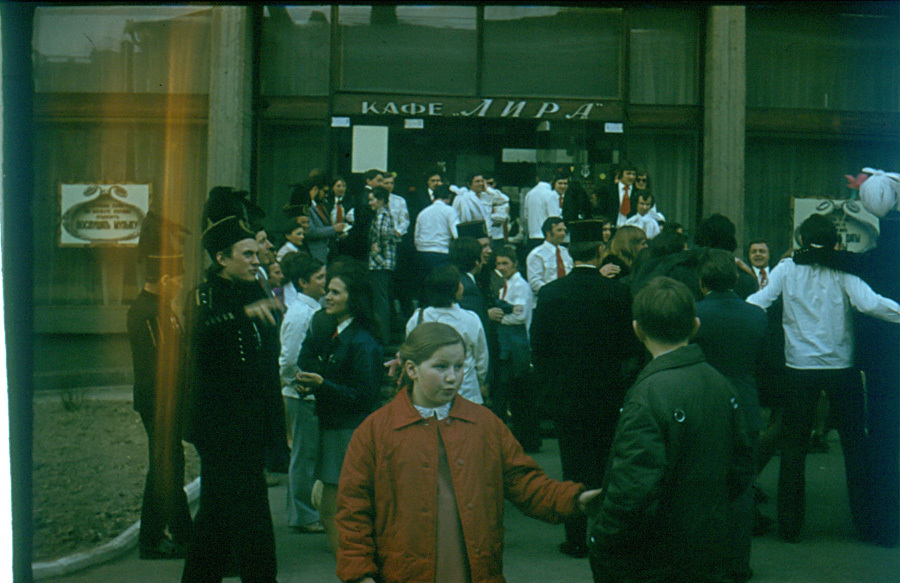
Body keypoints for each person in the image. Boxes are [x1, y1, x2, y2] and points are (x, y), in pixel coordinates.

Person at [335, 322, 602, 583]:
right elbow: (353, 510)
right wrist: (360, 574)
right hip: (401, 571)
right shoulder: (375, 430)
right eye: (440, 367)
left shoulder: (485, 423)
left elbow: (525, 483)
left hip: (475, 567)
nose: (453, 377)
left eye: (459, 366)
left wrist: (576, 499)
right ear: (411, 369)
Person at [588, 277, 755, 583]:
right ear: (695, 325)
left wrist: (603, 538)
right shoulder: (721, 383)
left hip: (657, 554)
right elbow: (742, 464)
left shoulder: (647, 394)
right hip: (710, 540)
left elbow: (633, 488)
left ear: (638, 329)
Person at [746, 212, 900, 543]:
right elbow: (870, 304)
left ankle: (790, 527)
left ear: (801, 240)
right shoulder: (841, 269)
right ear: (834, 242)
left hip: (799, 368)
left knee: (793, 448)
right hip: (841, 368)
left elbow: (760, 301)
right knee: (855, 447)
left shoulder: (786, 269)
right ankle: (865, 522)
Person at [182, 191, 283, 583]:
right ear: (222, 259)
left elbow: (265, 367)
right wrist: (242, 315)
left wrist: (276, 430)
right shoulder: (204, 295)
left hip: (250, 424)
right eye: (247, 255)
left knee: (217, 518)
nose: (256, 261)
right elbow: (200, 332)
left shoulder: (256, 290)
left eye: (256, 254)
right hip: (220, 428)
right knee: (249, 517)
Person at [531, 219, 643, 558]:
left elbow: (539, 345)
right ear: (599, 251)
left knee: (573, 465)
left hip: (567, 393)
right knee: (608, 463)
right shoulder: (617, 292)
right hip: (607, 392)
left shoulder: (551, 293)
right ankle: (606, 534)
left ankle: (576, 537)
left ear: (569, 251)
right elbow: (628, 345)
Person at [294, 264, 383, 553]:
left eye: (335, 292)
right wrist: (317, 385)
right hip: (335, 427)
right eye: (328, 291)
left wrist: (323, 385)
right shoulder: (337, 333)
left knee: (336, 506)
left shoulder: (362, 341)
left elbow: (364, 397)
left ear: (353, 297)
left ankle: (350, 565)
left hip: (348, 431)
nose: (327, 297)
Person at [692, 249, 768, 583]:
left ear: (701, 282)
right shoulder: (756, 315)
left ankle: (706, 561)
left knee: (701, 489)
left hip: (704, 404)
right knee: (742, 488)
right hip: (745, 401)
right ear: (736, 279)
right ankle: (739, 563)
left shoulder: (693, 315)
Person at [127, 212, 193, 560]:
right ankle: (166, 537)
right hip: (157, 403)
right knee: (165, 468)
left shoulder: (162, 308)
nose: (181, 285)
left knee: (168, 467)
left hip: (168, 402)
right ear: (164, 277)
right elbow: (159, 366)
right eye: (178, 279)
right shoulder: (145, 312)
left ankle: (167, 534)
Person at [278, 253, 327, 535]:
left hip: (307, 392)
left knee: (309, 453)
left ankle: (306, 510)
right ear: (303, 282)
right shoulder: (300, 314)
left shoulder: (311, 309)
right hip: (300, 394)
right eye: (319, 278)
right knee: (303, 455)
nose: (324, 282)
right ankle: (303, 514)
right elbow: (288, 359)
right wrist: (294, 382)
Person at [407, 265, 488, 405]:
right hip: (466, 394)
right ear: (454, 289)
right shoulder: (471, 320)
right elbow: (482, 361)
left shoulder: (417, 318)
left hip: (428, 394)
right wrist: (477, 381)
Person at [489, 246, 537, 451]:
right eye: (498, 264)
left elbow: (519, 315)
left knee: (520, 391)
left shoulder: (521, 286)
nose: (502, 267)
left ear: (515, 264)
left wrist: (499, 317)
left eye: (505, 263)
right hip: (507, 343)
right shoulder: (503, 284)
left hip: (518, 344)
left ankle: (528, 439)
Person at [367, 186, 399, 344]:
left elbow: (384, 234)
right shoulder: (386, 214)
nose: (370, 202)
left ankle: (382, 336)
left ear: (380, 201)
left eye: (372, 199)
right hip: (385, 262)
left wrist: (376, 244)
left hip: (379, 263)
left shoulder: (381, 215)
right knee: (382, 298)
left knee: (380, 300)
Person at [415, 184, 459, 280]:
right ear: (449, 197)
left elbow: (416, 236)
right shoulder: (450, 211)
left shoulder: (423, 212)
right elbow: (456, 234)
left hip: (422, 253)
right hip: (441, 252)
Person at [526, 217, 572, 295]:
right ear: (548, 232)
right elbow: (535, 283)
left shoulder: (566, 252)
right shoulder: (537, 254)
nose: (563, 233)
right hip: (549, 298)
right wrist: (555, 292)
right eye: (559, 230)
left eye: (564, 230)